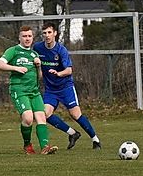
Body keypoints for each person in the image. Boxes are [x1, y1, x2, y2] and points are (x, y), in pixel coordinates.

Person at [33, 22, 101, 150]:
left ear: (55, 33)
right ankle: (73, 133)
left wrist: (58, 73)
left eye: (49, 32)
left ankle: (95, 140)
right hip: (50, 89)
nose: (47, 35)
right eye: (44, 33)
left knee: (75, 115)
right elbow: (35, 65)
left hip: (65, 87)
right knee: (45, 114)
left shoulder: (61, 50)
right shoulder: (38, 48)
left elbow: (69, 70)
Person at [0, 26, 58, 155]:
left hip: (34, 91)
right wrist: (16, 68)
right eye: (24, 36)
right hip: (19, 90)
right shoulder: (13, 50)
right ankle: (27, 144)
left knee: (41, 117)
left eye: (29, 36)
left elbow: (39, 76)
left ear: (32, 38)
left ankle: (45, 147)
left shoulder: (34, 54)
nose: (27, 38)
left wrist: (39, 66)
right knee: (28, 118)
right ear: (19, 37)